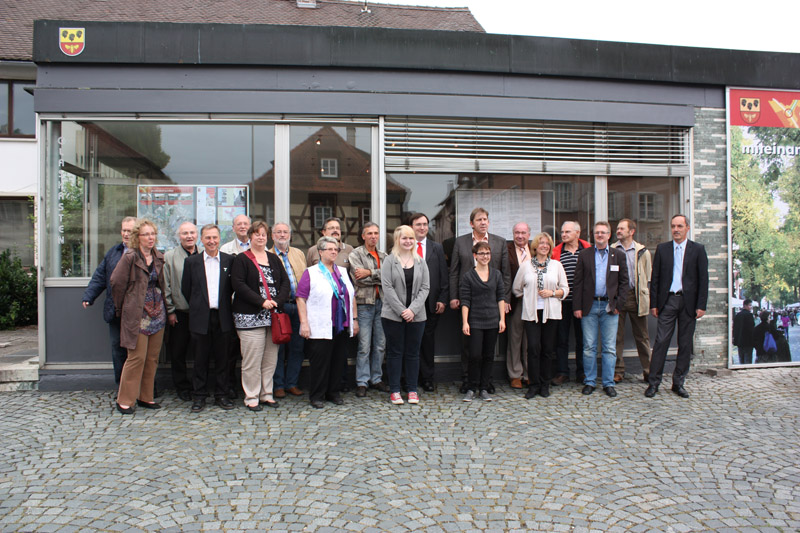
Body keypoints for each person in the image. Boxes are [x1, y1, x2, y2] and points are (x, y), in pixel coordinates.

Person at [646, 214, 708, 399]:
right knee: (661, 342)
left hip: (688, 303)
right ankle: (654, 383)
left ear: (687, 228)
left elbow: (703, 280)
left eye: (680, 226)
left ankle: (678, 382)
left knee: (685, 344)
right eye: (673, 226)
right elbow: (655, 278)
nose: (676, 229)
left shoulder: (697, 249)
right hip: (668, 301)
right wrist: (654, 303)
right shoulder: (663, 249)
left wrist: (701, 305)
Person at [230, 221, 291, 411]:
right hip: (250, 317)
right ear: (250, 237)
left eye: (263, 234)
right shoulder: (241, 259)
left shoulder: (273, 259)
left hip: (272, 316)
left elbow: (285, 283)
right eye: (256, 234)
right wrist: (261, 301)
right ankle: (251, 396)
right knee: (252, 360)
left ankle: (267, 394)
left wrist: (278, 301)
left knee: (270, 359)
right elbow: (238, 285)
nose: (260, 237)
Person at [449, 207, 511, 393]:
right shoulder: (460, 243)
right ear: (471, 223)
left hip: (491, 304)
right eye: (479, 220)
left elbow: (506, 274)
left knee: (488, 348)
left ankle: (487, 381)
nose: (483, 222)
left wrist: (505, 298)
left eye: (485, 219)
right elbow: (454, 272)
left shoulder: (499, 243)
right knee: (469, 346)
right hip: (468, 302)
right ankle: (468, 381)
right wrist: (453, 296)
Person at [109, 219, 167, 414]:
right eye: (146, 234)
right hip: (137, 315)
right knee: (136, 358)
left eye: (153, 234)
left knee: (152, 358)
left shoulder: (158, 256)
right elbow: (116, 283)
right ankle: (125, 399)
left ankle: (146, 397)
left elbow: (162, 284)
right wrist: (122, 308)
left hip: (157, 314)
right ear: (137, 237)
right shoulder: (130, 257)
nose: (150, 238)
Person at [297, 236, 359, 409]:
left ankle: (333, 392)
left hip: (341, 325)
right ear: (320, 251)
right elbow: (301, 298)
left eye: (336, 249)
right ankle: (317, 395)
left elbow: (351, 296)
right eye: (330, 249)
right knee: (320, 363)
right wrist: (304, 323)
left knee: (338, 361)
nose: (333, 252)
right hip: (320, 324)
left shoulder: (342, 272)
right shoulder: (311, 272)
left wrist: (354, 319)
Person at [182, 224, 235, 412]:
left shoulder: (230, 260)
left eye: (214, 237)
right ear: (201, 240)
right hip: (200, 317)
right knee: (200, 360)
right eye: (207, 238)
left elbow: (233, 288)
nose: (211, 241)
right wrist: (199, 306)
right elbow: (186, 290)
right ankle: (199, 396)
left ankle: (222, 394)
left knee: (223, 359)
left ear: (219, 238)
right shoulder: (192, 262)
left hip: (223, 317)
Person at [573, 221, 629, 398]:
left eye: (603, 232)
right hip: (589, 306)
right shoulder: (585, 255)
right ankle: (589, 381)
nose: (600, 235)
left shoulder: (618, 255)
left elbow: (624, 282)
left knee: (609, 348)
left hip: (609, 307)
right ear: (593, 235)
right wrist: (577, 307)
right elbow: (578, 282)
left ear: (609, 235)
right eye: (597, 232)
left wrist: (619, 305)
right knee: (589, 347)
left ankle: (608, 383)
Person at [512, 232, 568, 399]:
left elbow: (565, 289)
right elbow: (516, 288)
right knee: (533, 348)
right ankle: (533, 384)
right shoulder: (526, 266)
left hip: (551, 313)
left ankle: (545, 384)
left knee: (547, 349)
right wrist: (529, 296)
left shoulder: (556, 266)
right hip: (532, 313)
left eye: (547, 244)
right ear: (535, 247)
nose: (544, 246)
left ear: (550, 247)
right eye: (541, 243)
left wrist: (552, 293)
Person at [82, 216, 136, 386]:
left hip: (137, 312)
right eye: (124, 230)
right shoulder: (114, 252)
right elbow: (100, 276)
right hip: (116, 311)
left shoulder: (144, 253)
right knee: (118, 349)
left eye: (130, 231)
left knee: (137, 352)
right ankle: (122, 388)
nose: (126, 234)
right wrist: (89, 295)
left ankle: (143, 388)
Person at [380, 225, 430, 405]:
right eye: (404, 238)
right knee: (394, 353)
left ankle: (412, 389)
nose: (408, 241)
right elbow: (387, 288)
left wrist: (412, 310)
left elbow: (425, 288)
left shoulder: (421, 262)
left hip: (417, 316)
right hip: (392, 316)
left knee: (413, 353)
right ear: (397, 240)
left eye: (410, 238)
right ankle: (394, 390)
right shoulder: (389, 261)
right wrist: (402, 310)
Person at [460, 241, 507, 402]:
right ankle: (471, 387)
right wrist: (465, 322)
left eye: (487, 253)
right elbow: (465, 300)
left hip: (493, 320)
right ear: (475, 256)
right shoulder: (468, 276)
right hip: (475, 321)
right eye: (481, 253)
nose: (485, 256)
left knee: (488, 355)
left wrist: (502, 319)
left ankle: (484, 388)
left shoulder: (496, 274)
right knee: (474, 355)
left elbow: (501, 297)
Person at [349, 222, 389, 397]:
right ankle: (362, 381)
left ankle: (376, 379)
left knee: (380, 345)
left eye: (376, 233)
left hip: (383, 304)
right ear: (363, 236)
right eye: (370, 233)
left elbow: (391, 277)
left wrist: (370, 273)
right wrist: (378, 275)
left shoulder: (384, 255)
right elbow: (358, 279)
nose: (373, 236)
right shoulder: (355, 254)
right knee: (364, 345)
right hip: (364, 303)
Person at [410, 213, 449, 392]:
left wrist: (442, 299)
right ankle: (410, 377)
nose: (422, 228)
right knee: (410, 341)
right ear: (411, 227)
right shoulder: (405, 247)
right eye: (418, 224)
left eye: (425, 224)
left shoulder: (437, 248)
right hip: (409, 304)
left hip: (431, 303)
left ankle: (427, 378)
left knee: (427, 341)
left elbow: (443, 275)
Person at [269, 222, 307, 398]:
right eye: (278, 232)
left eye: (285, 232)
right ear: (272, 235)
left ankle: (292, 383)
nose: (282, 235)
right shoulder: (267, 255)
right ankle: (278, 385)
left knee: (297, 347)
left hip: (299, 305)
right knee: (278, 347)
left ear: (290, 235)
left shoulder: (298, 254)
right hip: (279, 308)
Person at [612, 219, 652, 383]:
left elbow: (648, 275)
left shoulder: (642, 251)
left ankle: (649, 370)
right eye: (618, 228)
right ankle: (618, 371)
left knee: (642, 336)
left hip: (636, 296)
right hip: (619, 296)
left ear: (631, 231)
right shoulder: (613, 249)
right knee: (616, 337)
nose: (618, 231)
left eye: (622, 228)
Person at [551, 221, 591, 385]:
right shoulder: (557, 252)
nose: (564, 234)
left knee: (583, 339)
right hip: (562, 302)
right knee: (561, 339)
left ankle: (582, 372)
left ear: (577, 233)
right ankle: (562, 372)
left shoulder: (588, 250)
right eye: (562, 232)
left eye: (567, 231)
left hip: (582, 302)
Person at [162, 221, 198, 401]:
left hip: (201, 314)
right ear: (179, 236)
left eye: (192, 232)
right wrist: (170, 310)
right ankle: (182, 386)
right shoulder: (169, 256)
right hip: (180, 313)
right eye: (185, 233)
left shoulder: (205, 254)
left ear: (197, 235)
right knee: (178, 352)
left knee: (202, 351)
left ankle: (200, 385)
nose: (189, 236)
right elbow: (166, 285)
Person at [219, 214, 251, 398]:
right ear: (233, 228)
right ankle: (230, 386)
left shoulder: (257, 248)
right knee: (230, 351)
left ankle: (250, 387)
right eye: (238, 224)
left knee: (250, 352)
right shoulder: (226, 249)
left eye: (245, 223)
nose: (242, 226)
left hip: (253, 307)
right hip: (232, 306)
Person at [506, 222, 531, 389]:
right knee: (515, 338)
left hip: (535, 301)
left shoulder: (536, 249)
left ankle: (530, 373)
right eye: (517, 232)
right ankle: (515, 374)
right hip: (515, 300)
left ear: (529, 234)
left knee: (531, 339)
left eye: (523, 233)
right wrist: (505, 299)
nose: (520, 236)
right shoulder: (505, 250)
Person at [732, 299, 755, 365]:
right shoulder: (749, 315)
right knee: (748, 360)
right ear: (745, 306)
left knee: (741, 359)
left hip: (740, 341)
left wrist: (735, 338)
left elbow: (735, 328)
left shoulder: (738, 315)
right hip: (748, 341)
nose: (751, 307)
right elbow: (751, 329)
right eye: (750, 305)